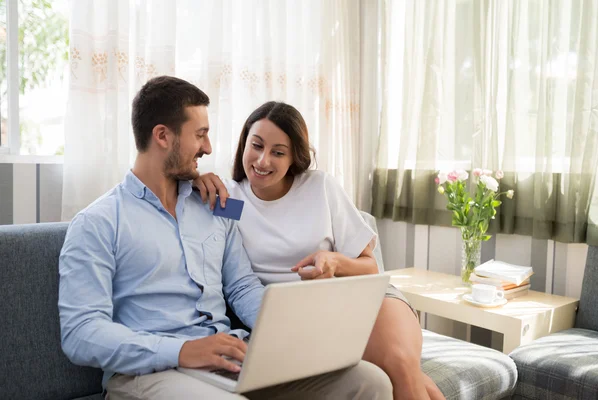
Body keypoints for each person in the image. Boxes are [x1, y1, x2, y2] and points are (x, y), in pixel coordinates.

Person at [58, 77, 393, 400]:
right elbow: (81, 333)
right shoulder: (97, 222)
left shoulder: (216, 205)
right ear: (162, 136)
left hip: (229, 358)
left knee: (368, 383)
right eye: (200, 135)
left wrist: (295, 333)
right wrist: (184, 350)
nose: (208, 147)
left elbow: (242, 286)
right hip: (148, 374)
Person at [196, 101, 446, 400]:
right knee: (399, 376)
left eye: (278, 152)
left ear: (293, 157)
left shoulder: (319, 187)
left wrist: (334, 262)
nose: (263, 161)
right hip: (303, 318)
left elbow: (370, 268)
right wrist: (196, 179)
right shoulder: (231, 200)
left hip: (360, 295)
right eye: (257, 146)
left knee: (400, 364)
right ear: (244, 144)